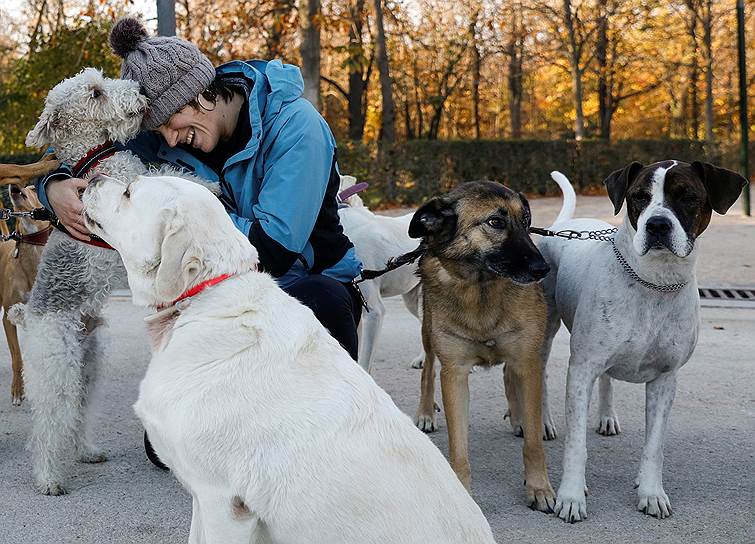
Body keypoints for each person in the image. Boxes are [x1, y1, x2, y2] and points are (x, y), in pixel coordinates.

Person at [37, 17, 364, 361]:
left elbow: (274, 251)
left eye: (169, 123)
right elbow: (73, 151)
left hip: (301, 280)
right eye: (158, 130)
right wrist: (53, 187)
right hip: (217, 288)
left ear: (199, 92)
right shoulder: (166, 136)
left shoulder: (297, 127)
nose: (170, 138)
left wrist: (184, 209)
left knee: (321, 298)